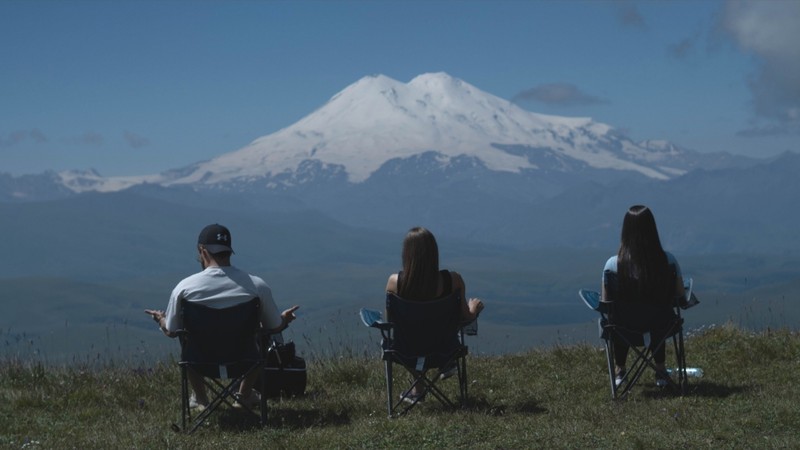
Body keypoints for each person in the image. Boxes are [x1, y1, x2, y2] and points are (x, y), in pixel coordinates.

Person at [145, 223, 300, 410]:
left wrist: (160, 319)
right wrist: (284, 319)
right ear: (229, 252)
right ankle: (244, 395)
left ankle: (201, 398)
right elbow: (274, 327)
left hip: (199, 362)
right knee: (263, 334)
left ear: (202, 251)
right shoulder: (257, 286)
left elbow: (171, 331)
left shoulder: (184, 288)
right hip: (245, 361)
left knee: (186, 337)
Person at [385, 226, 484, 401]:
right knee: (435, 333)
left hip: (406, 351)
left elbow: (391, 322)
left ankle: (418, 389)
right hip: (445, 351)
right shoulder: (453, 281)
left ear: (406, 253)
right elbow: (466, 318)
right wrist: (474, 308)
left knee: (411, 337)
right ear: (433, 253)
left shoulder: (395, 283)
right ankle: (445, 367)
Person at [602, 205, 685, 388]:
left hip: (624, 331)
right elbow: (680, 295)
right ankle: (660, 370)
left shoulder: (612, 265)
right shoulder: (668, 261)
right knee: (656, 314)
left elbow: (607, 303)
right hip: (661, 328)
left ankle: (620, 371)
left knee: (618, 318)